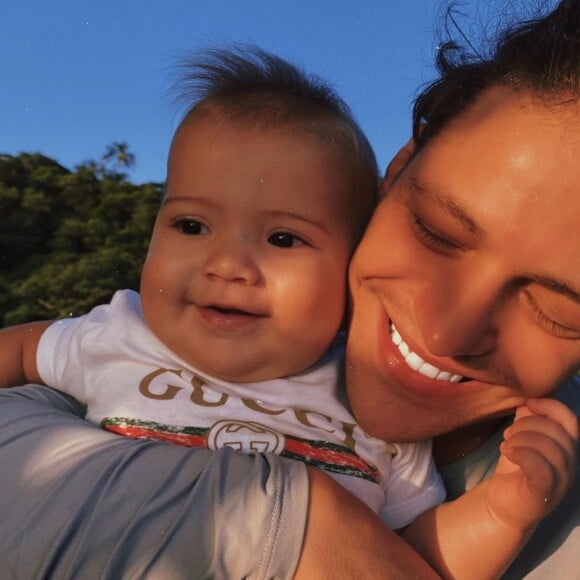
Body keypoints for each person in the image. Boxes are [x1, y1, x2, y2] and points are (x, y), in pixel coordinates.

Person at [0, 0, 579, 577]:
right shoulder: (119, 333)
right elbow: (23, 350)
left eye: (555, 311)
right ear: (397, 175)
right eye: (437, 232)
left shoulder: (385, 442)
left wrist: (502, 514)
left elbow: (412, 561)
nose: (444, 332)